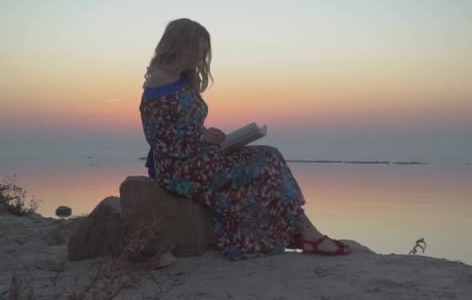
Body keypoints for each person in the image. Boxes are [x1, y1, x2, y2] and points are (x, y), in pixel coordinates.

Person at [139, 18, 350, 260]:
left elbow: (183, 124)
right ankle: (309, 236)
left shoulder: (184, 80)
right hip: (178, 166)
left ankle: (305, 232)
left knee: (270, 154)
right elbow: (157, 137)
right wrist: (200, 136)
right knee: (263, 167)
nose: (200, 54)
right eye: (196, 48)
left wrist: (209, 135)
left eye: (202, 49)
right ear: (179, 44)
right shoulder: (158, 80)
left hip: (198, 154)